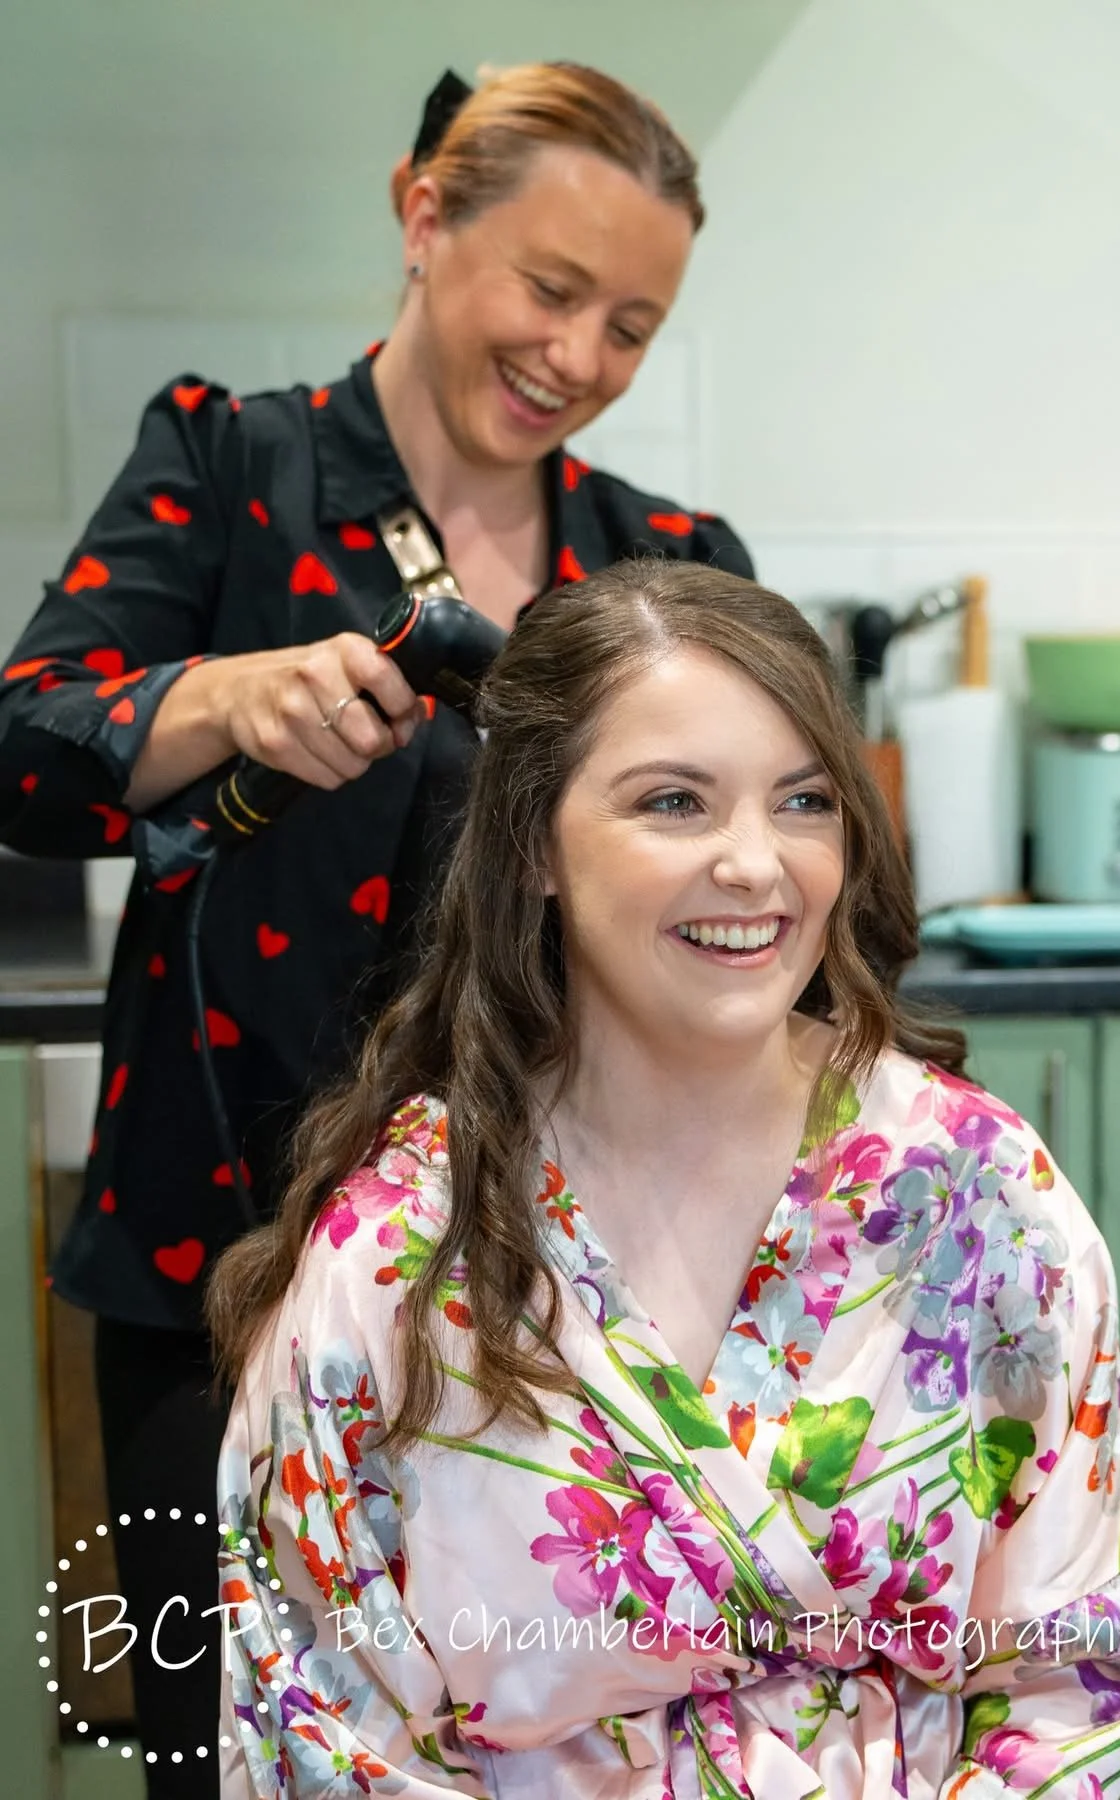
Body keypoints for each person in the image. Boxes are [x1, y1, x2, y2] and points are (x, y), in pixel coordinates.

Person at [0, 64, 751, 1791]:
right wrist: (220, 698)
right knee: (230, 1752)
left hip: (560, 1309)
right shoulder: (229, 462)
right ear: (422, 215)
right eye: (550, 291)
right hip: (222, 1282)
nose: (579, 357)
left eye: (629, 325)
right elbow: (29, 755)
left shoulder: (658, 564)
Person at [209, 560, 1120, 1799]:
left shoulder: (974, 1198)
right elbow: (324, 1733)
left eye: (803, 802)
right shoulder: (402, 1251)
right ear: (531, 846)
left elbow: (1095, 1684)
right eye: (673, 801)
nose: (753, 864)